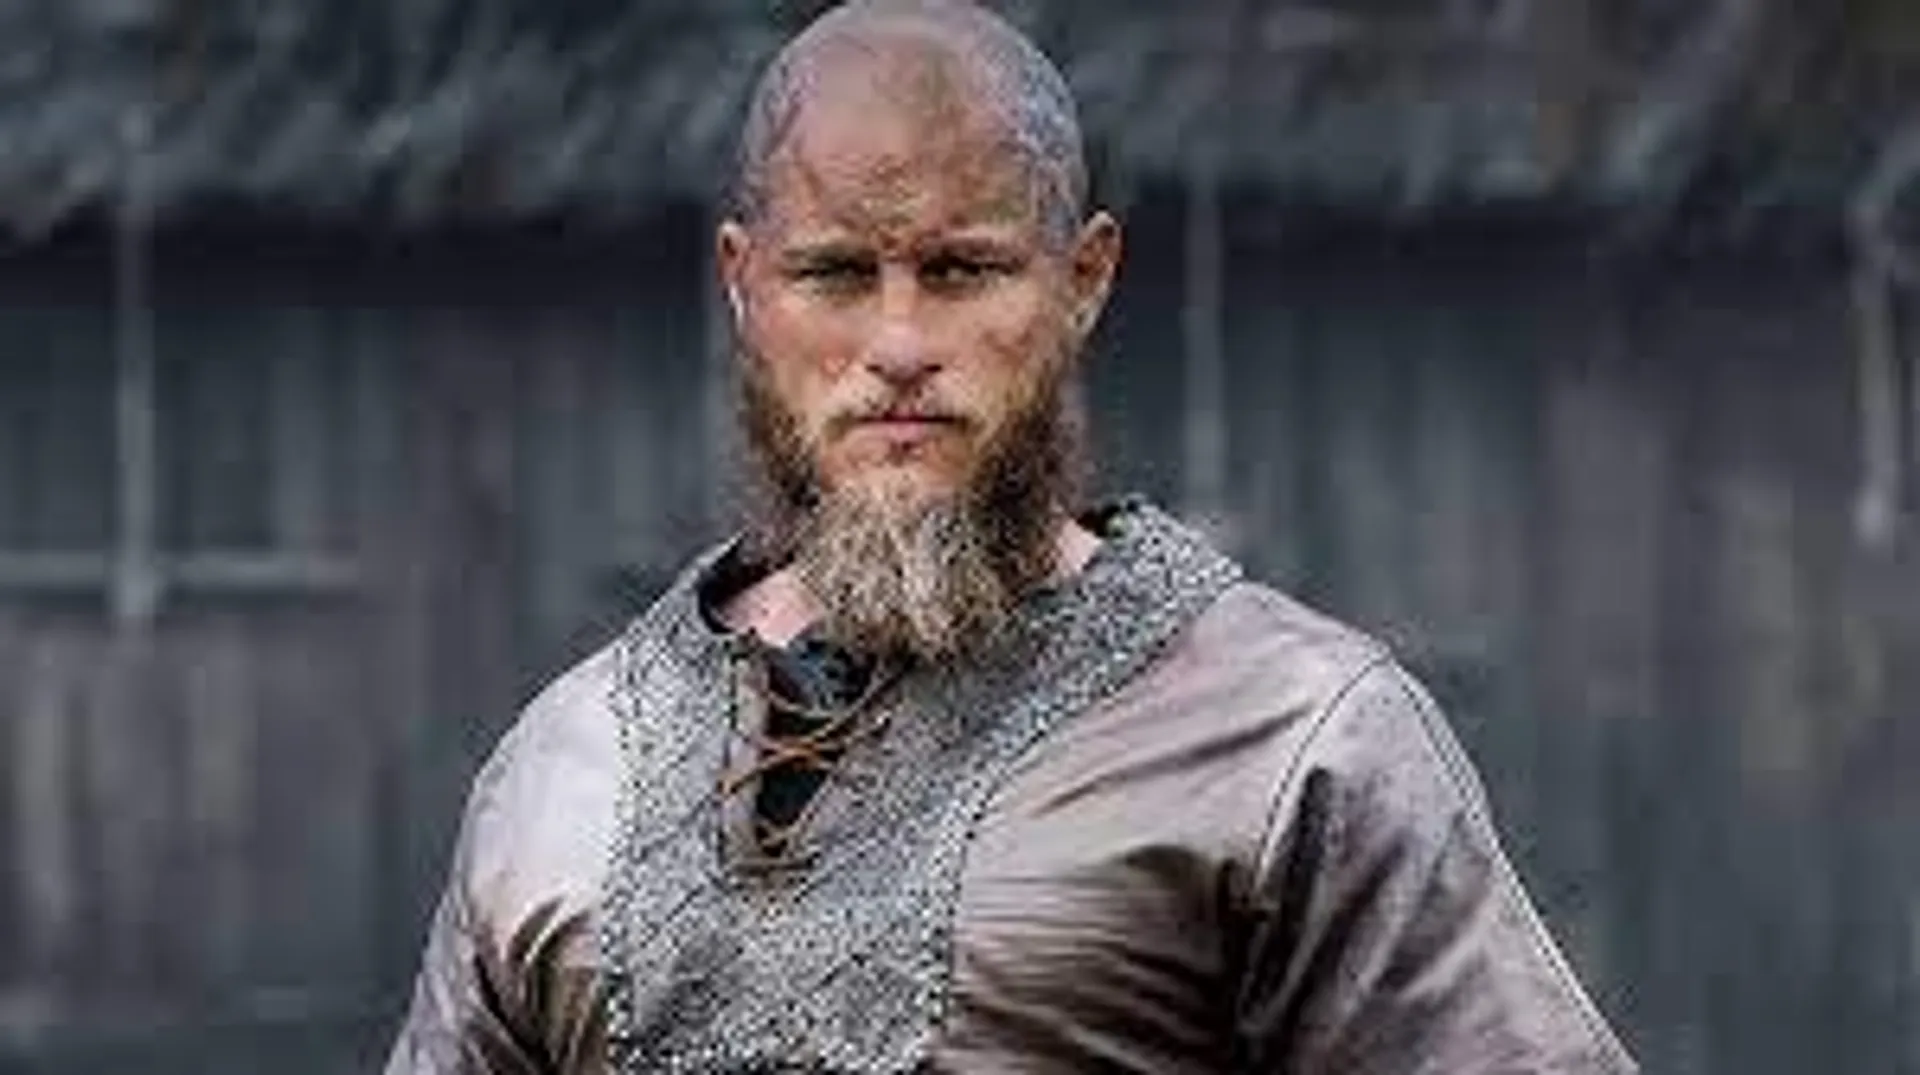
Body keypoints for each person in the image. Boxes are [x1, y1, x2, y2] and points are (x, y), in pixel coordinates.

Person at [385, 1, 1638, 1071]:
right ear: (743, 285)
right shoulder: (565, 767)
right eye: (834, 275)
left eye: (961, 271)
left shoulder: (1292, 737)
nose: (897, 345)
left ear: (1082, 282)